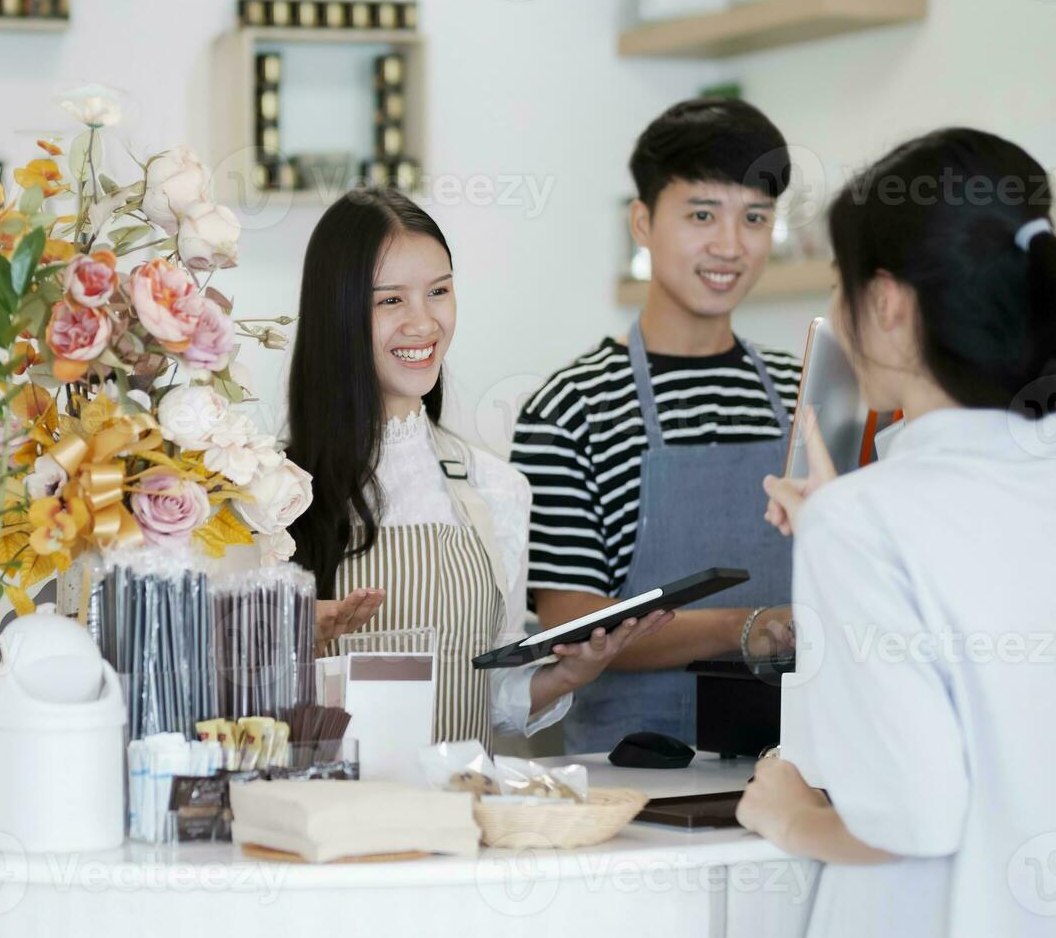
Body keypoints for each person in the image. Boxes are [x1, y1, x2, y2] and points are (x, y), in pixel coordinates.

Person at [736, 128, 1056, 937]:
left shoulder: (865, 520)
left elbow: (914, 819)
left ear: (886, 303)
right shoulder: (876, 513)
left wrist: (790, 814)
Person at [286, 187, 671, 747]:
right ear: (336, 312)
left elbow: (492, 696)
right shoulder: (269, 490)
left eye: (438, 291)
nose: (424, 323)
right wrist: (291, 636)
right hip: (327, 825)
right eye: (390, 300)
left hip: (465, 822)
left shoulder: (497, 488)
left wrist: (570, 671)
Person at [511, 97, 802, 752]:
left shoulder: (803, 388)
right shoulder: (570, 408)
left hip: (802, 772)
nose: (730, 246)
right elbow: (570, 625)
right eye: (702, 215)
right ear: (642, 222)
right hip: (634, 780)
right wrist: (745, 627)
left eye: (755, 218)